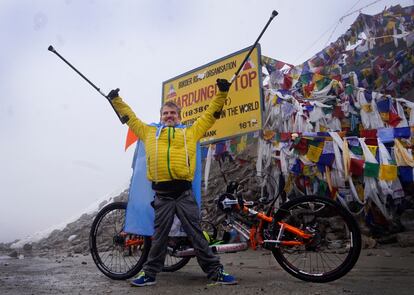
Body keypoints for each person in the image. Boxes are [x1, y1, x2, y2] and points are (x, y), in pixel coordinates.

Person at [108, 78, 237, 287]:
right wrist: (116, 100)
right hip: (162, 196)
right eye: (165, 113)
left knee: (196, 234)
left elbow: (211, 115)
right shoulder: (149, 133)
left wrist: (222, 92)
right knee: (159, 237)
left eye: (172, 113)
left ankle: (216, 272)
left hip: (184, 194)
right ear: (161, 117)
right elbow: (129, 118)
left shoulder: (190, 132)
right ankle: (149, 274)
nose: (169, 116)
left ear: (179, 117)